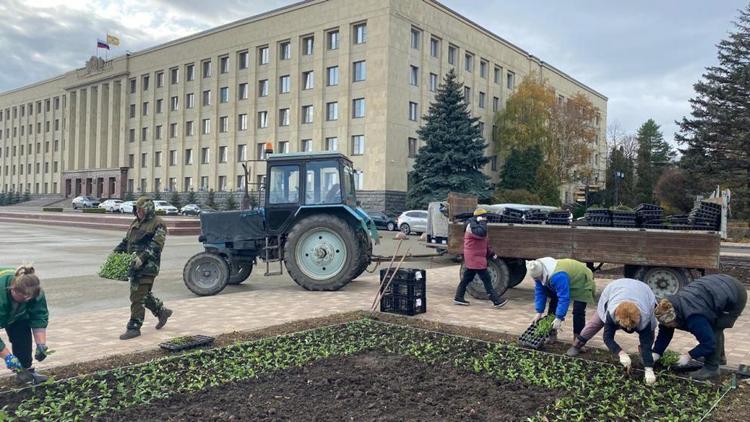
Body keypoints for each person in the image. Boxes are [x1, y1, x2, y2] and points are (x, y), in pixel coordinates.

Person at [652, 274, 746, 380]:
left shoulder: (695, 317)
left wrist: (688, 356)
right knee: (710, 332)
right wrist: (656, 352)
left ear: (675, 317)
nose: (668, 327)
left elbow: (709, 343)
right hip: (715, 286)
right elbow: (665, 332)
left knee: (715, 329)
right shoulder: (670, 308)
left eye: (670, 324)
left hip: (734, 294)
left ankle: (712, 368)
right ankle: (719, 358)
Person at [566, 278, 658, 385]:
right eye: (625, 327)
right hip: (616, 289)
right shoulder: (612, 312)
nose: (628, 330)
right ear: (617, 319)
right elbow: (607, 337)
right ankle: (577, 345)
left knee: (649, 334)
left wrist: (649, 369)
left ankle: (645, 357)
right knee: (596, 323)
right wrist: (621, 353)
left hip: (643, 293)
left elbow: (646, 343)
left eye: (632, 327)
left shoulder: (645, 317)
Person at [114, 197, 173, 340]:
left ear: (148, 209)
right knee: (143, 296)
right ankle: (161, 312)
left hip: (147, 267)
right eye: (137, 210)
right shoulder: (136, 222)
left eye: (140, 210)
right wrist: (116, 253)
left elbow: (156, 246)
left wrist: (142, 258)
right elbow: (127, 241)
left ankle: (134, 327)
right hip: (134, 267)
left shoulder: (158, 224)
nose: (138, 212)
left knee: (137, 297)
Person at [526, 257, 596, 342]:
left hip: (581, 279)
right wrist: (539, 312)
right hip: (566, 278)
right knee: (554, 302)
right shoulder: (537, 271)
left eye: (537, 278)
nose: (536, 280)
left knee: (578, 310)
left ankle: (578, 341)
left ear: (542, 273)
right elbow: (540, 292)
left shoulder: (558, 276)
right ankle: (552, 334)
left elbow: (563, 298)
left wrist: (559, 317)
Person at [0, 265, 50, 385]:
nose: (26, 300)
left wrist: (41, 345)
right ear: (13, 289)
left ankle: (25, 373)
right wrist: (7, 357)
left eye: (29, 299)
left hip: (18, 315)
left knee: (22, 337)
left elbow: (38, 316)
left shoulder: (35, 291)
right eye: (22, 298)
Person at [454, 208, 508, 308]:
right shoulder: (472, 225)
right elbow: (481, 233)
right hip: (474, 258)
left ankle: (458, 297)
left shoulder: (478, 225)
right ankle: (496, 300)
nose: (486, 219)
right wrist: (482, 222)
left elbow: (484, 242)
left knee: (467, 278)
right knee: (486, 279)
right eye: (484, 216)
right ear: (479, 217)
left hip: (475, 257)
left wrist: (491, 254)